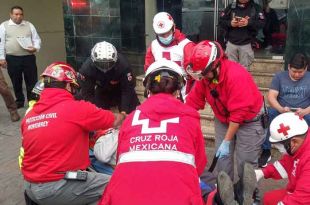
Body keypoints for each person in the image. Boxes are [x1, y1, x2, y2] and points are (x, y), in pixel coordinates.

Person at [98, 59, 207, 205]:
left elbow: (120, 160)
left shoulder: (131, 119)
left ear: (147, 90)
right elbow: (199, 164)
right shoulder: (189, 117)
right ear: (177, 91)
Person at [20, 62, 126, 205]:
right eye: (74, 87)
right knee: (116, 184)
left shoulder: (29, 116)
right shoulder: (77, 109)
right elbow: (113, 120)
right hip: (56, 185)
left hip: (30, 186)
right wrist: (125, 115)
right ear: (68, 86)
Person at [185, 40, 265, 180]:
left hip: (249, 120)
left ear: (215, 65)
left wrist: (227, 141)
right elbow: (192, 103)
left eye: (204, 73)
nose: (202, 77)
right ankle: (224, 195)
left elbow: (238, 114)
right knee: (222, 162)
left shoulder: (236, 75)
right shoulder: (205, 78)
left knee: (245, 164)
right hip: (224, 118)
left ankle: (251, 198)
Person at [258, 52, 310, 167]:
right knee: (267, 116)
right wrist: (280, 109)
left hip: (303, 112)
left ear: (306, 68)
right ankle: (266, 150)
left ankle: (306, 152)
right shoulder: (279, 76)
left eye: (300, 72)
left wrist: (305, 111)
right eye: (294, 71)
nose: (297, 74)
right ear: (289, 67)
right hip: (282, 110)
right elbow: (271, 97)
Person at [255, 112, 310, 205]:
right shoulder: (299, 147)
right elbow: (285, 165)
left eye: (280, 145)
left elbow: (303, 198)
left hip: (304, 198)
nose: (278, 148)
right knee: (269, 198)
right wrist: (262, 172)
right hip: (297, 191)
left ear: (294, 141)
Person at [78, 41, 139, 115]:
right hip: (102, 88)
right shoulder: (86, 69)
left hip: (120, 87)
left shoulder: (124, 65)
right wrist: (95, 109)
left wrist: (124, 111)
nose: (105, 67)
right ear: (93, 61)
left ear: (115, 60)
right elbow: (87, 92)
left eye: (108, 63)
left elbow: (127, 89)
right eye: (101, 63)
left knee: (133, 112)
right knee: (97, 113)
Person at [144, 12, 196, 95]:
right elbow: (148, 70)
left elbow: (194, 76)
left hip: (182, 95)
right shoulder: (153, 46)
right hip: (158, 93)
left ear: (173, 27)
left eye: (167, 33)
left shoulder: (187, 46)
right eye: (161, 34)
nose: (165, 37)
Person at [0, 6, 41, 108]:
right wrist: (1, 58)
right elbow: (1, 43)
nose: (19, 16)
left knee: (32, 81)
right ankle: (19, 101)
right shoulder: (4, 26)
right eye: (16, 14)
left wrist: (35, 48)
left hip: (28, 58)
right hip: (12, 58)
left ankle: (32, 101)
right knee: (16, 81)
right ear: (11, 15)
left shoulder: (29, 25)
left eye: (21, 14)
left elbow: (37, 39)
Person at [219, 0, 265, 70]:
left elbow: (262, 23)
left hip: (247, 43)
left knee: (244, 70)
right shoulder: (231, 7)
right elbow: (221, 21)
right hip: (231, 44)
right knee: (230, 69)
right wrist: (230, 23)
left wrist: (248, 23)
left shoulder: (256, 8)